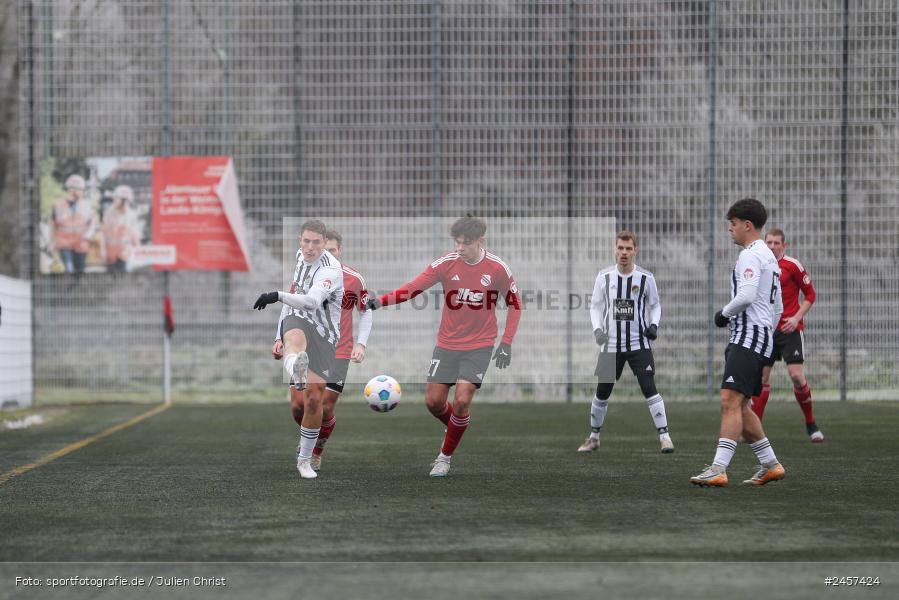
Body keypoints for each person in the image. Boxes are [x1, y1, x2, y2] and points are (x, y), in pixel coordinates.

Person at [367, 216, 522, 477]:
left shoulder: (497, 269)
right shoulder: (446, 263)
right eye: (457, 243)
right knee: (434, 403)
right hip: (447, 344)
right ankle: (456, 426)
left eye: (466, 243)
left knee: (461, 401)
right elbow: (413, 288)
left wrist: (506, 343)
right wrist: (380, 302)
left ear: (480, 241)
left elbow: (515, 305)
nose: (460, 248)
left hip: (480, 345)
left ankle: (444, 457)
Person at [691, 198, 785, 487]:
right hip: (760, 337)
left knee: (729, 400)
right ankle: (771, 464)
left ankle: (719, 468)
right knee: (742, 405)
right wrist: (764, 332)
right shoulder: (770, 257)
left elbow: (744, 297)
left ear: (747, 225)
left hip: (747, 337)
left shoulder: (750, 255)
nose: (730, 229)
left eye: (732, 224)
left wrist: (723, 314)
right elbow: (778, 308)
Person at [272, 229, 373, 472]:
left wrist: (361, 343)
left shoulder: (353, 278)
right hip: (308, 342)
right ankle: (309, 436)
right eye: (323, 250)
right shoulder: (306, 272)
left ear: (340, 251)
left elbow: (366, 310)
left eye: (331, 250)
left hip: (338, 348)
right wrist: (279, 337)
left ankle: (315, 451)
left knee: (324, 404)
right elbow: (289, 304)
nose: (326, 254)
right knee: (298, 405)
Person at [254, 219, 344, 480]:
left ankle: (305, 461)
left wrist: (277, 295)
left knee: (314, 399)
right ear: (300, 240)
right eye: (306, 241)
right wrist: (277, 336)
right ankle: (295, 365)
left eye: (316, 242)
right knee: (295, 336)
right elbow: (295, 296)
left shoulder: (332, 270)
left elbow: (312, 301)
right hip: (298, 321)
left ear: (324, 243)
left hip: (325, 335)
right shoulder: (299, 257)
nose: (310, 247)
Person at [578, 230, 674, 454]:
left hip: (639, 344)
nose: (624, 253)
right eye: (620, 248)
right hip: (610, 345)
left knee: (649, 388)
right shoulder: (604, 277)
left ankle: (665, 437)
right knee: (602, 392)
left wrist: (654, 325)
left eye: (628, 248)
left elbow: (655, 305)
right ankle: (593, 438)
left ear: (635, 251)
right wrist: (597, 330)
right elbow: (595, 306)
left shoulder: (645, 278)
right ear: (615, 249)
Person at [750, 228, 823, 442]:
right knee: (761, 379)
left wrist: (796, 317)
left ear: (784, 245)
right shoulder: (759, 265)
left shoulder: (792, 265)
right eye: (769, 243)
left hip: (790, 328)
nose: (772, 247)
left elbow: (810, 295)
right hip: (767, 329)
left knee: (796, 376)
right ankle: (757, 430)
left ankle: (811, 423)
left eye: (776, 243)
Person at [52, 174, 97, 273]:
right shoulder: (58, 204)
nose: (76, 192)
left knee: (79, 271)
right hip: (64, 244)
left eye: (80, 189)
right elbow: (53, 224)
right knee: (69, 269)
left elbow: (93, 224)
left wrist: (88, 235)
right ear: (68, 189)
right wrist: (51, 243)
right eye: (73, 189)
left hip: (81, 245)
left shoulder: (87, 205)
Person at [101, 185, 140, 273]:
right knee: (111, 278)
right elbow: (104, 234)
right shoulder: (108, 214)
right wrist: (103, 250)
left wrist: (136, 249)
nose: (115, 200)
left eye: (117, 198)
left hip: (125, 253)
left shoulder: (131, 215)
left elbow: (135, 235)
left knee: (124, 277)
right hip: (111, 254)